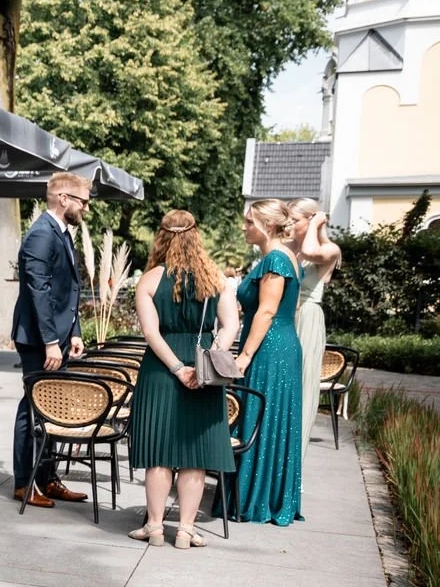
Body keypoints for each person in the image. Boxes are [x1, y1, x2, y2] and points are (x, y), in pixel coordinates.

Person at [128, 211, 239, 549]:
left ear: (161, 236)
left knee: (159, 452)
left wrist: (177, 368)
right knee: (195, 455)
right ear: (196, 236)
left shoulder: (149, 281)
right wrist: (207, 357)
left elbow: (150, 332)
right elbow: (230, 327)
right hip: (204, 372)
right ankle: (187, 530)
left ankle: (156, 527)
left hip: (161, 371)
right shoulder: (217, 280)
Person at [9, 172, 91, 508]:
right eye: (83, 201)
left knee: (51, 409)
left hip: (58, 337)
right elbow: (38, 292)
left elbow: (68, 291)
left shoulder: (61, 233)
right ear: (63, 198)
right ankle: (24, 483)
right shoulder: (41, 235)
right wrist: (49, 342)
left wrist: (74, 332)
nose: (86, 207)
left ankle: (48, 478)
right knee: (33, 407)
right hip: (39, 341)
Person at [232, 199, 304, 526]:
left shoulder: (276, 259)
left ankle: (256, 498)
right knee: (269, 415)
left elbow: (266, 310)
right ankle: (264, 493)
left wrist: (244, 356)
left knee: (261, 414)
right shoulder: (281, 256)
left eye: (250, 222)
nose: (245, 227)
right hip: (278, 344)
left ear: (268, 225)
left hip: (270, 348)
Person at [289, 198, 342, 445]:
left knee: (302, 384)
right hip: (285, 315)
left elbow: (311, 252)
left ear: (310, 220)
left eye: (294, 220)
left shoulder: (329, 249)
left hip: (307, 316)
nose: (289, 224)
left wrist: (315, 225)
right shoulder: (289, 247)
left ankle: (294, 450)